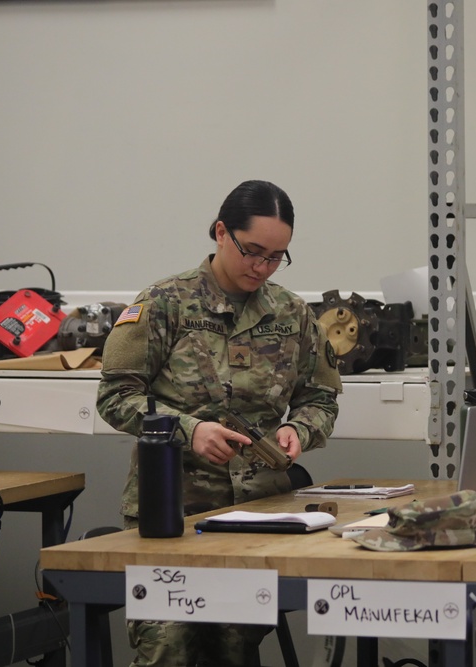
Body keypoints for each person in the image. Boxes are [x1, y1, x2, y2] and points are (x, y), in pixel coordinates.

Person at [97, 179, 342, 666]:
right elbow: (116, 396)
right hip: (172, 512)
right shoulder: (165, 303)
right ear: (220, 232)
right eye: (253, 251)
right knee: (169, 650)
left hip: (256, 514)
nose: (262, 267)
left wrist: (301, 431)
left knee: (234, 652)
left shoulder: (292, 314)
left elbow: (322, 398)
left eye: (276, 257)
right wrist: (190, 431)